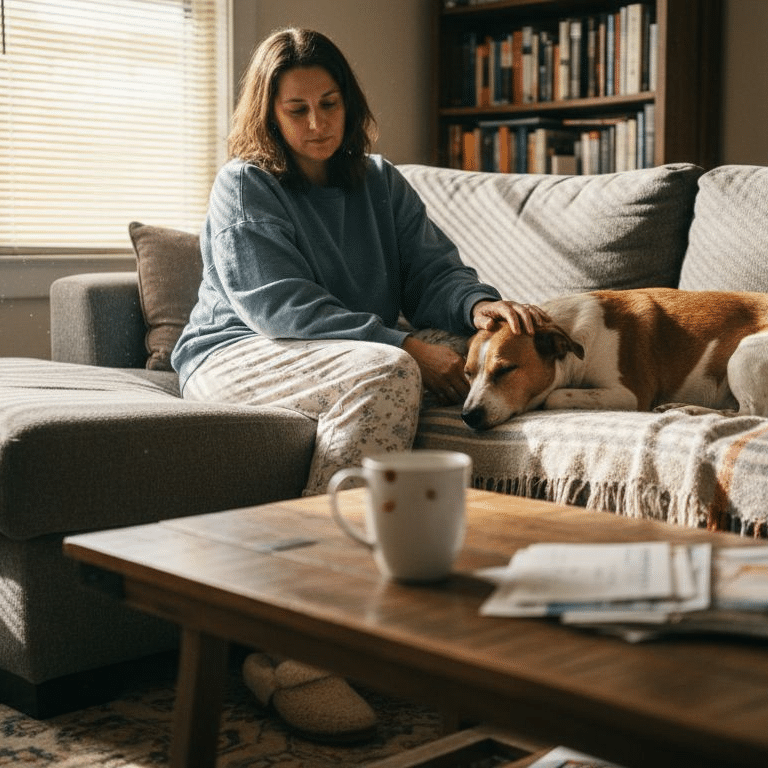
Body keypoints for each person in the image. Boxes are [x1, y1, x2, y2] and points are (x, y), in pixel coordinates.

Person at [171, 27, 545, 742]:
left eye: (330, 104)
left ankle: (410, 613)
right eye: (297, 109)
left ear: (350, 104)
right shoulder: (244, 183)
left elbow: (434, 271)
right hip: (236, 351)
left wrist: (476, 308)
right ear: (268, 113)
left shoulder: (379, 181)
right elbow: (277, 304)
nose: (317, 124)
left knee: (469, 362)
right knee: (392, 367)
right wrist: (402, 343)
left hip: (347, 355)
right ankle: (295, 643)